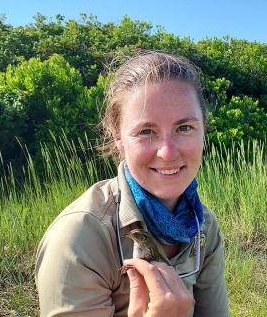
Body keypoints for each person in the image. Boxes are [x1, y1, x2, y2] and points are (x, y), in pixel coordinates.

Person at [35, 52, 230, 317]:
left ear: (203, 130)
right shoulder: (79, 238)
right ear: (119, 140)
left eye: (184, 128)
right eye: (146, 131)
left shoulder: (203, 225)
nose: (168, 152)